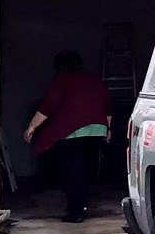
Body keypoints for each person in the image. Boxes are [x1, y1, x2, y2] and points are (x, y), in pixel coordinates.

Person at [23, 50, 111, 223]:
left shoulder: (60, 79)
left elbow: (49, 105)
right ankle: (82, 205)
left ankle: (76, 211)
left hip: (72, 131)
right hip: (97, 130)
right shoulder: (94, 79)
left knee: (71, 172)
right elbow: (107, 105)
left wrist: (32, 126)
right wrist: (108, 128)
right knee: (87, 170)